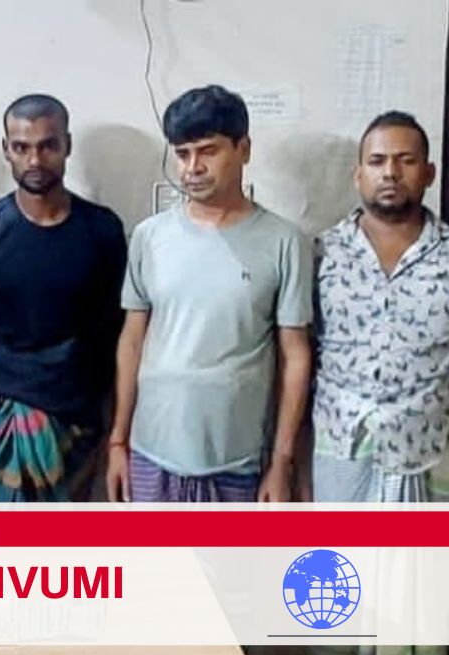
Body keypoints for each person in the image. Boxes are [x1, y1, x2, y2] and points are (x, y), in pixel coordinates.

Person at [105, 85, 312, 503]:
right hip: (150, 451)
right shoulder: (149, 237)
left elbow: (295, 357)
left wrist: (282, 462)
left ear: (243, 149)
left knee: (234, 552)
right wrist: (118, 441)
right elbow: (132, 341)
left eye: (207, 151)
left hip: (237, 460)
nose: (192, 167)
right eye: (182, 154)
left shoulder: (284, 242)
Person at [306, 110, 447, 655]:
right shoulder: (323, 253)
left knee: (413, 606)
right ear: (358, 174)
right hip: (341, 453)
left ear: (428, 173)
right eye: (378, 161)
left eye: (406, 160)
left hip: (427, 457)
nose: (391, 173)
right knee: (333, 595)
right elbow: (298, 352)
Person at [0, 93, 126, 502]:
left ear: (67, 145)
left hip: (75, 421)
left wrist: (114, 428)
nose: (35, 160)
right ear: (6, 150)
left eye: (48, 145)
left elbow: (115, 335)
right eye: (21, 147)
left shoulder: (102, 230)